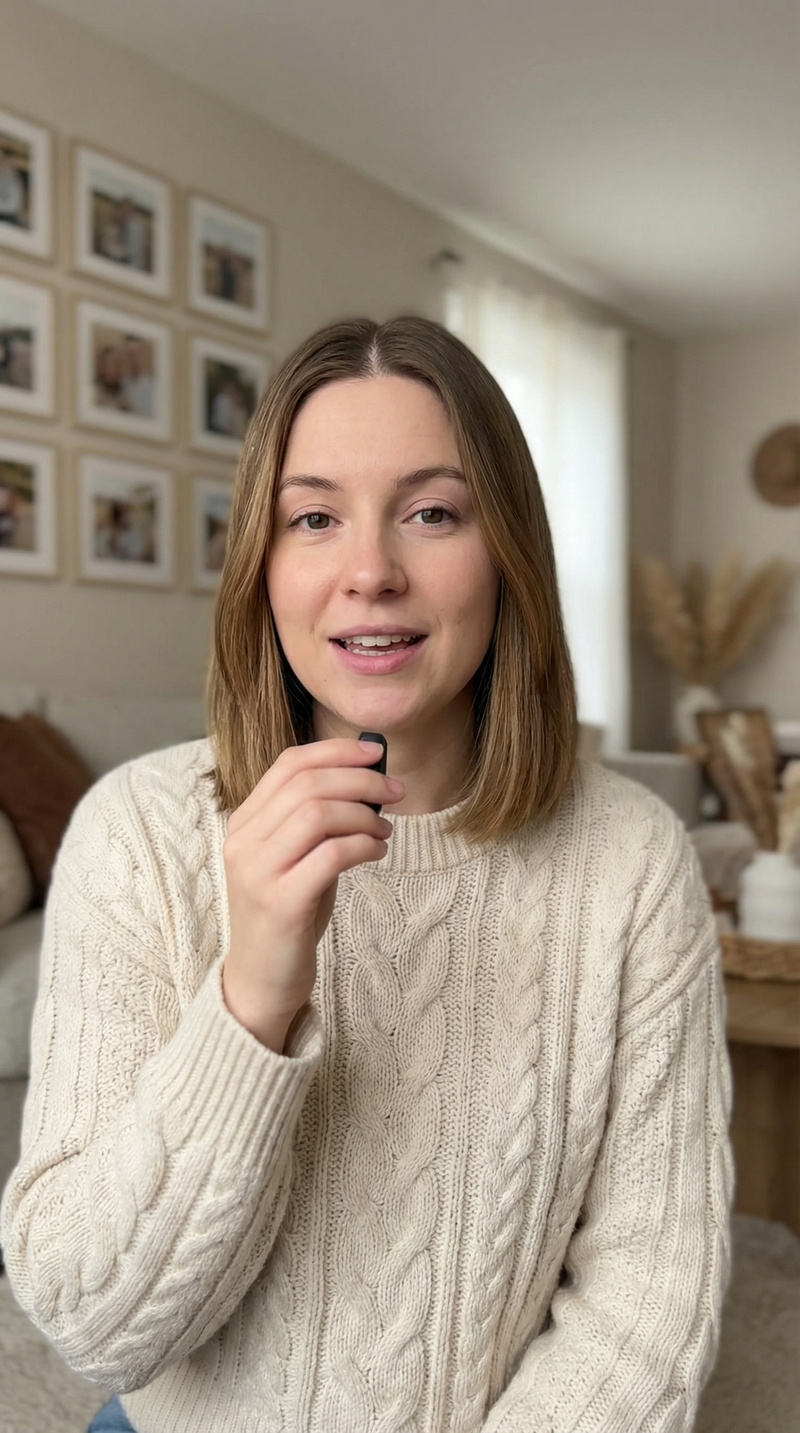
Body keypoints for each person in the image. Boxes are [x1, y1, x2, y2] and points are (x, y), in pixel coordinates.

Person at [0, 316, 732, 1433]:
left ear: (507, 552)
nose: (370, 571)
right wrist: (250, 994)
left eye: (431, 511)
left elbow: (647, 1300)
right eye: (314, 517)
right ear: (264, 559)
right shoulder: (136, 834)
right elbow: (95, 1327)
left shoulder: (631, 860)